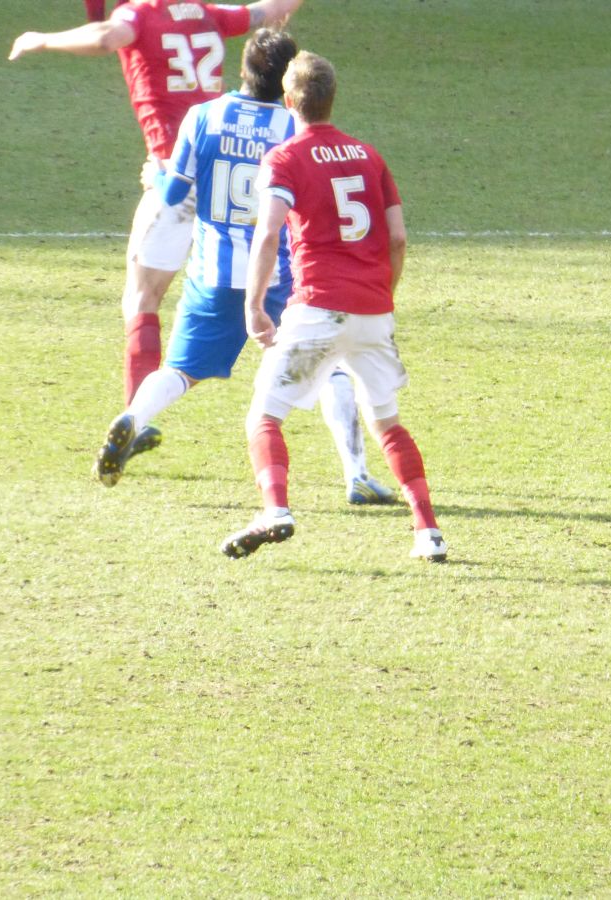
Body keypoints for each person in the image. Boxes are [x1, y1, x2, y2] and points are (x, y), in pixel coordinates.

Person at [92, 29, 396, 506]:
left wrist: (159, 175)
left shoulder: (203, 116)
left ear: (243, 70)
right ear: (289, 81)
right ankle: (356, 473)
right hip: (278, 277)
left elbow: (174, 197)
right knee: (331, 367)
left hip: (213, 273)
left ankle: (133, 417)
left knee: (180, 370)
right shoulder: (294, 129)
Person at [8, 0, 305, 443]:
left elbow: (108, 37)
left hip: (175, 174)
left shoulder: (140, 15)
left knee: (143, 298)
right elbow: (266, 11)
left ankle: (136, 417)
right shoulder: (209, 13)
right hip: (226, 171)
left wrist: (43, 39)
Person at [222, 51, 448, 563]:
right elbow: (397, 238)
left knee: (264, 416)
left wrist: (255, 304)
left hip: (316, 310)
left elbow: (268, 231)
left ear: (288, 101)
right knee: (387, 422)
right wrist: (384, 295)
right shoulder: (370, 156)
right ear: (331, 99)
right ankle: (427, 532)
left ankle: (275, 509)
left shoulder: (285, 157)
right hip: (372, 312)